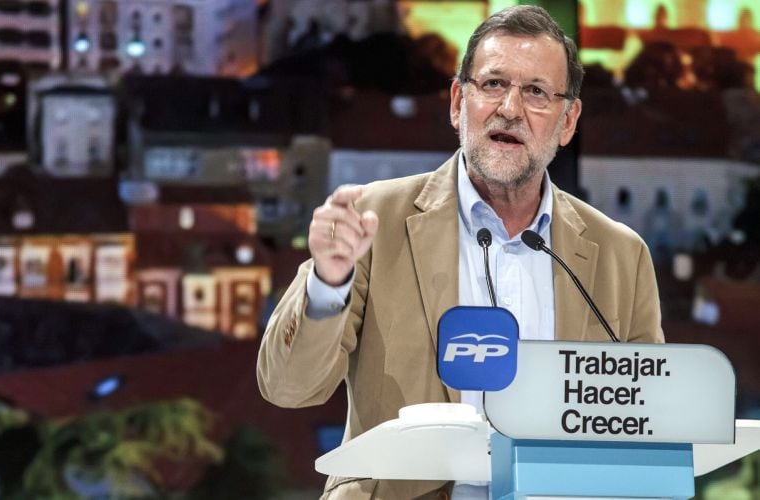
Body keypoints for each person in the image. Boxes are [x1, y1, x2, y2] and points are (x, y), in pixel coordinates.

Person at [257, 5, 664, 499]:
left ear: (567, 120)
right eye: (493, 84)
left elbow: (648, 424)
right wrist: (328, 285)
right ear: (457, 102)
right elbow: (288, 388)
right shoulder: (373, 221)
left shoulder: (621, 255)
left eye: (536, 91)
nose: (510, 108)